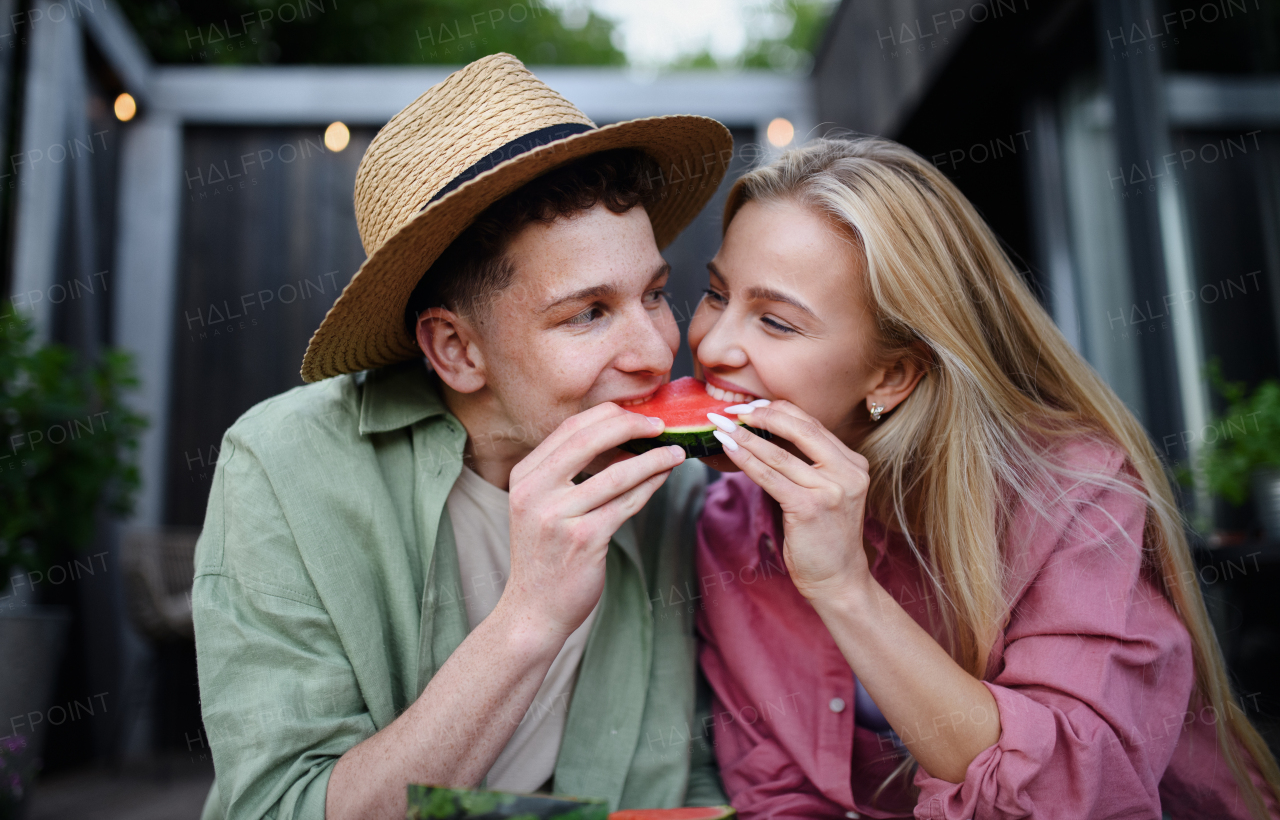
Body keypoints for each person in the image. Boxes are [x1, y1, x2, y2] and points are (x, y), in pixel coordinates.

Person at [191, 53, 734, 820]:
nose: (655, 350)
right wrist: (530, 618)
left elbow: (700, 774)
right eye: (588, 312)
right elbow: (278, 807)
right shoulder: (282, 467)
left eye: (653, 292)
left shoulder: (671, 478)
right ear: (455, 349)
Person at [688, 136, 1280, 819]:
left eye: (774, 321)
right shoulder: (733, 523)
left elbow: (1073, 794)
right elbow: (775, 793)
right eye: (715, 293)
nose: (709, 344)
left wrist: (845, 588)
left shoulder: (1073, 497)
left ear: (893, 374)